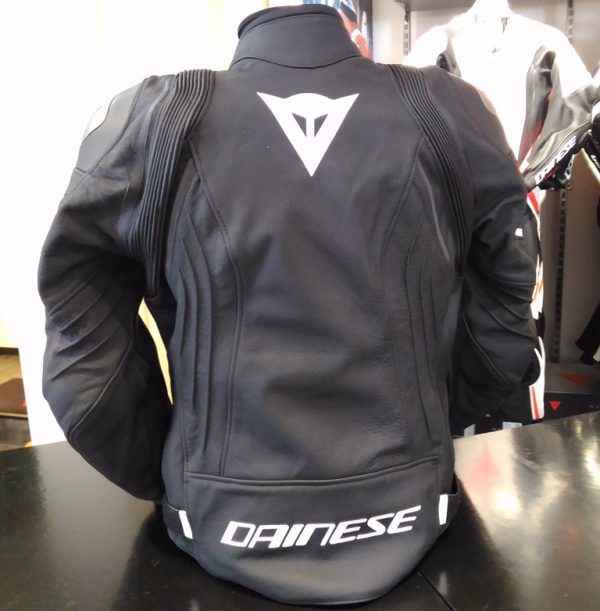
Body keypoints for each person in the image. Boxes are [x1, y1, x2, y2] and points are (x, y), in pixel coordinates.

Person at [38, 4, 537, 605]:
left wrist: (173, 471)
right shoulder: (451, 109)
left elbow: (84, 363)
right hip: (411, 504)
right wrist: (436, 420)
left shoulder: (152, 118)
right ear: (349, 26)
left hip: (217, 515)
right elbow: (507, 311)